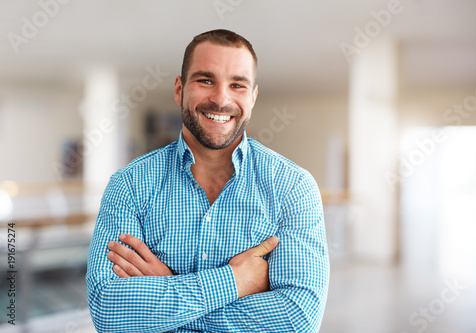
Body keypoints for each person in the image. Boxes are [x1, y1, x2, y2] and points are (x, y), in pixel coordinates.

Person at [86, 29, 329, 333]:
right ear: (179, 90)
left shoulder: (292, 187)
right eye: (205, 80)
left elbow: (298, 318)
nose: (221, 99)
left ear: (252, 98)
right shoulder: (130, 184)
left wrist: (169, 293)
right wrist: (236, 280)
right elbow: (108, 310)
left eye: (237, 84)